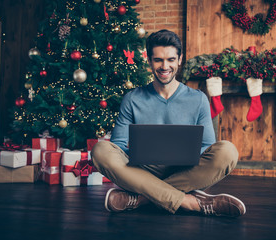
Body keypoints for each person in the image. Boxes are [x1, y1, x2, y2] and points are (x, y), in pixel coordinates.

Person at [91, 29, 246, 217]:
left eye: (171, 60)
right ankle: (190, 202)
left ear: (179, 60)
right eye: (158, 60)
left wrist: (183, 155)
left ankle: (142, 199)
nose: (165, 66)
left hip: (186, 172)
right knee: (101, 151)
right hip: (142, 170)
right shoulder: (132, 99)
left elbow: (207, 146)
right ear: (149, 61)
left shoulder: (198, 99)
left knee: (227, 151)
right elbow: (118, 147)